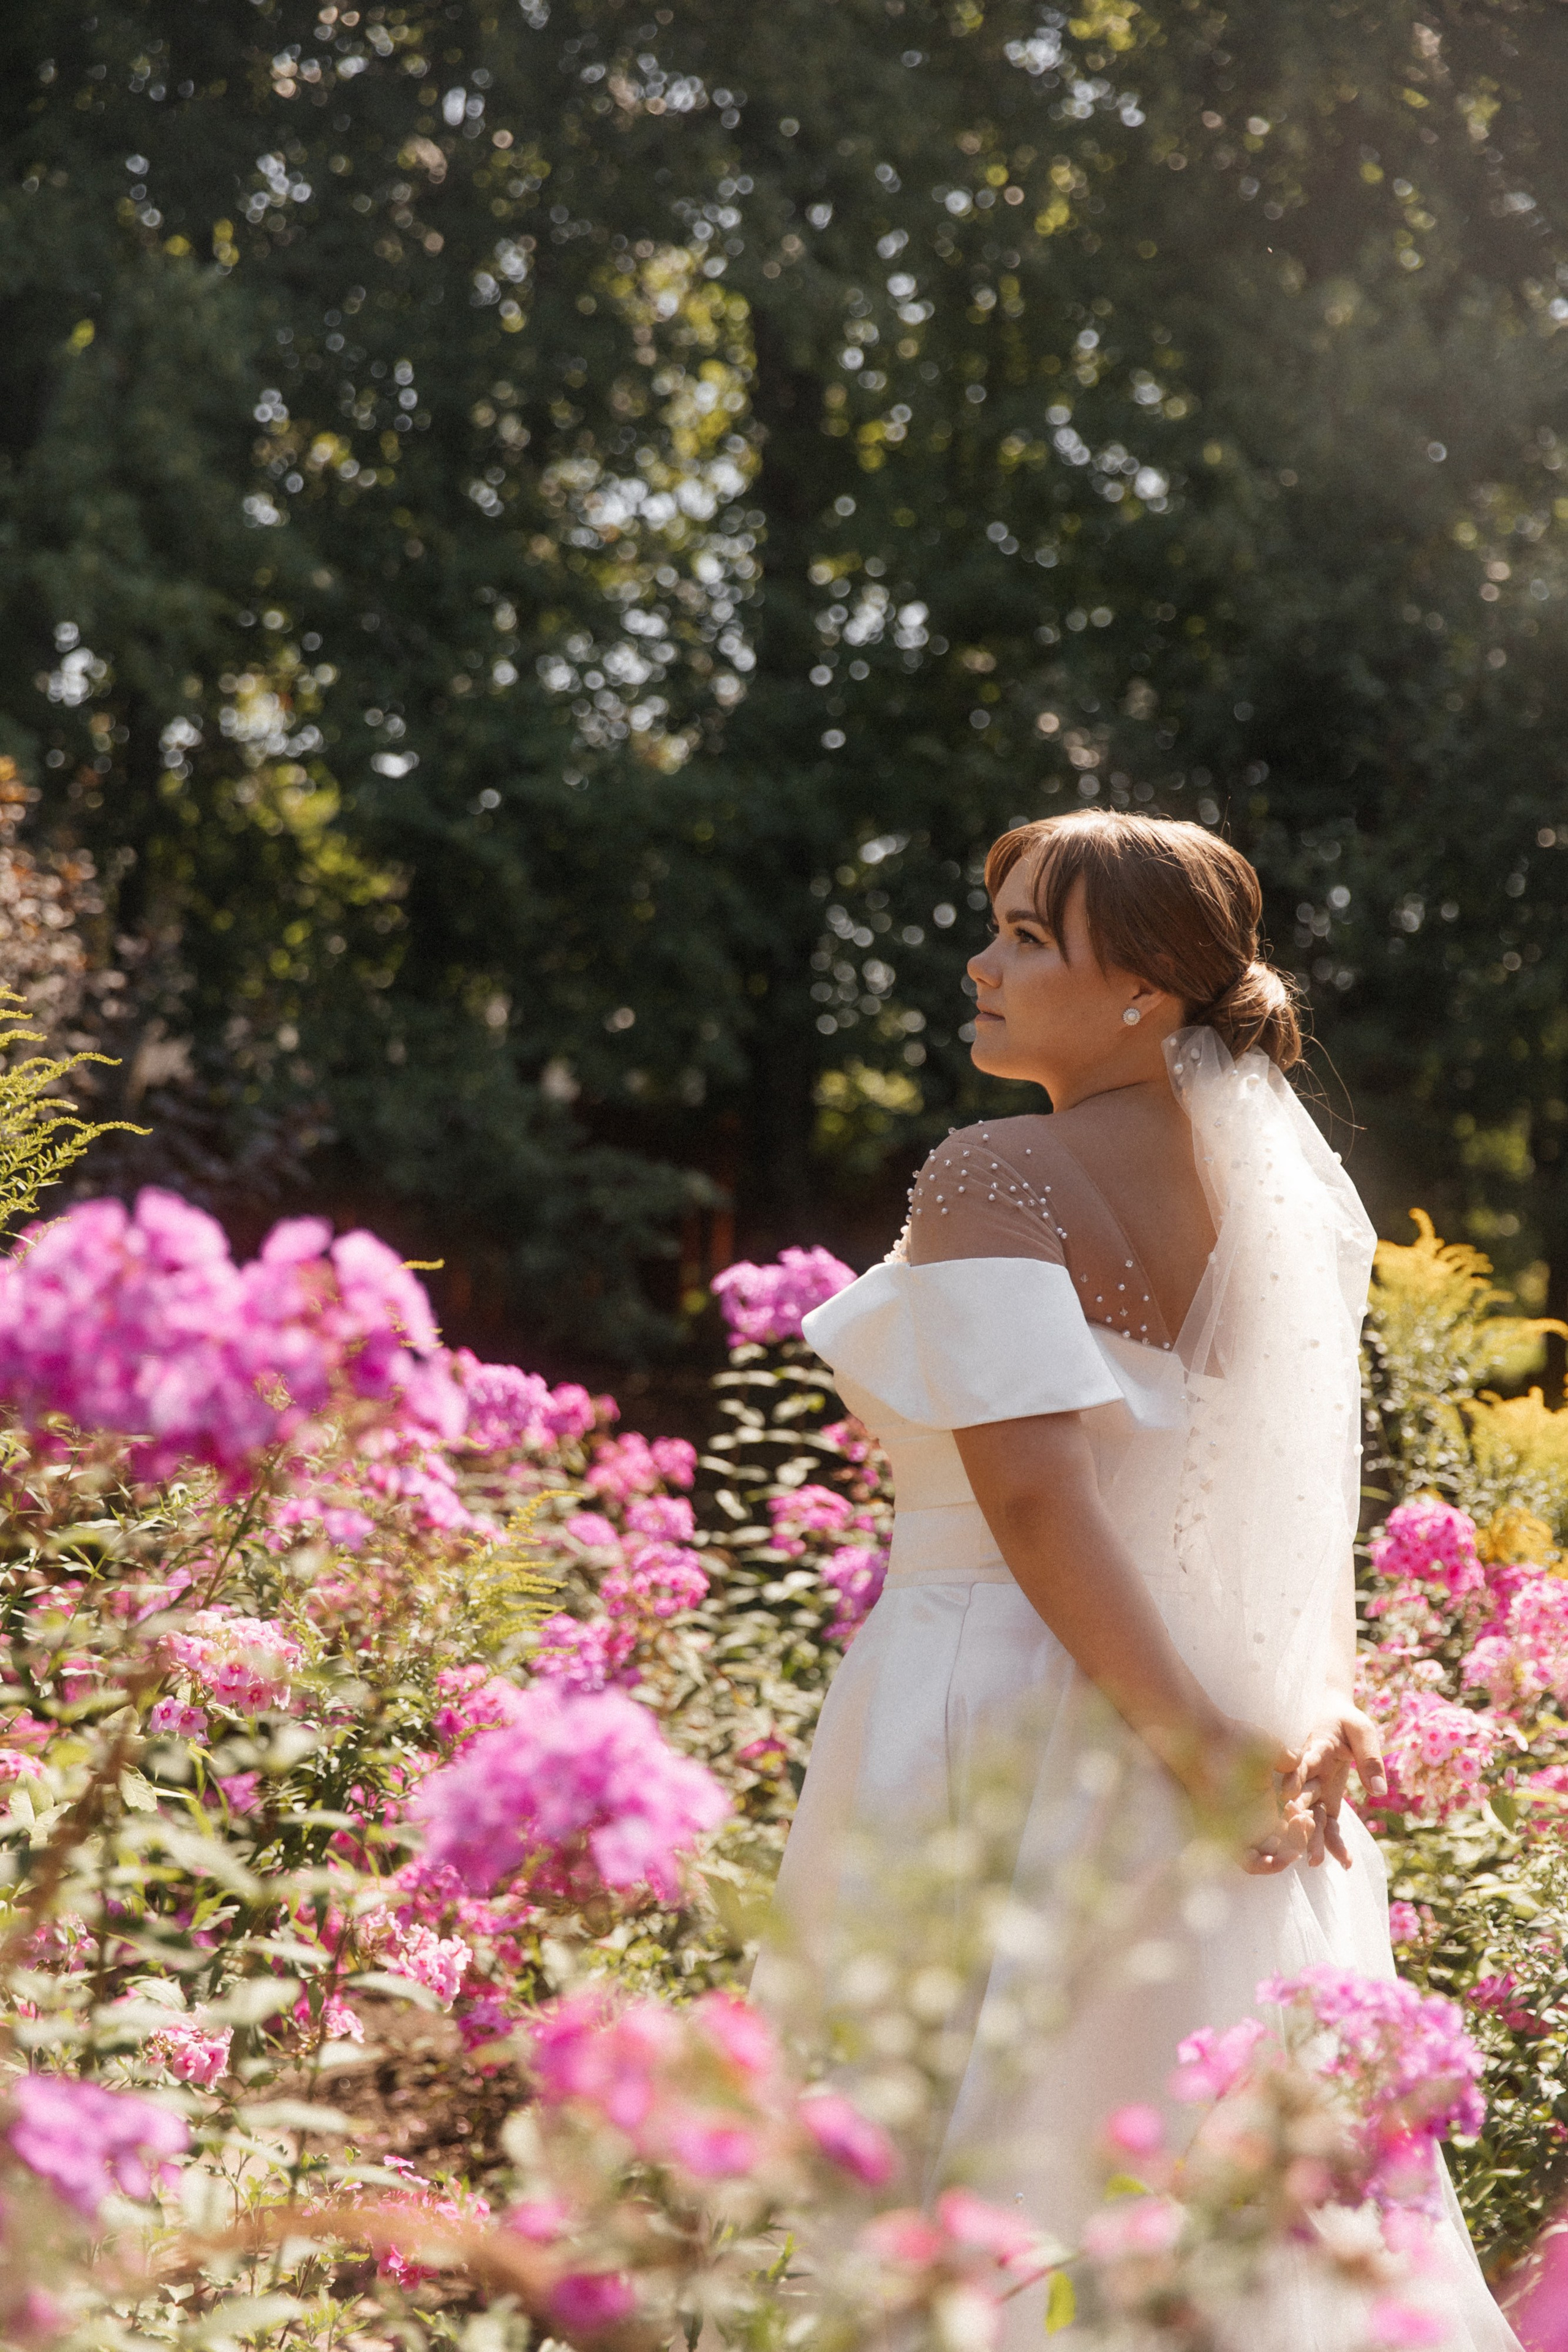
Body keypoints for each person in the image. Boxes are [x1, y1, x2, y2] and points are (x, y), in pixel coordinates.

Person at [753, 810, 1520, 2350]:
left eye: (1029, 936)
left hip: (994, 1710)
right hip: (1190, 1709)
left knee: (963, 2175)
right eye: (992, 924)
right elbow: (1259, 1494)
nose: (979, 961)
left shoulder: (996, 1172)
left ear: (1145, 994)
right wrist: (1255, 1733)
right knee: (1154, 2187)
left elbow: (1031, 1497)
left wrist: (1191, 1753)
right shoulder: (1255, 1204)